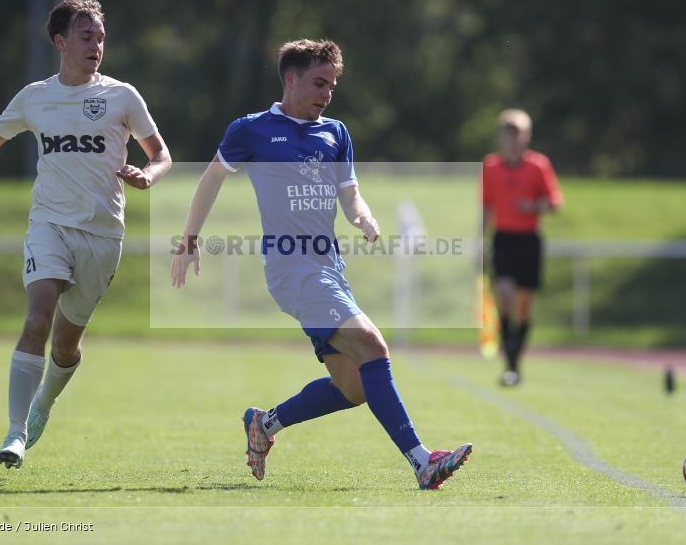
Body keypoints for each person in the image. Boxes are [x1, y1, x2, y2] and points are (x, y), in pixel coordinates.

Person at [171, 39, 471, 490]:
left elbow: (349, 193)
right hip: (291, 269)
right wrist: (188, 239)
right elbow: (212, 177)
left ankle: (264, 423)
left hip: (330, 267)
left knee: (353, 388)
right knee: (372, 344)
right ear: (290, 79)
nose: (326, 94)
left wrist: (363, 216)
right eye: (318, 83)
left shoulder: (336, 132)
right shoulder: (251, 129)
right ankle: (422, 461)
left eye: (331, 85)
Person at [0, 0, 172, 468]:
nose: (96, 46)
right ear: (61, 41)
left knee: (66, 346)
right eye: (86, 37)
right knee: (37, 319)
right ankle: (15, 431)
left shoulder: (122, 96)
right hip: (49, 224)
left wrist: (148, 175)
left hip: (103, 236)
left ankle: (44, 400)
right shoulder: (34, 97)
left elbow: (160, 153)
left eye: (101, 37)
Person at [482, 109, 562, 386]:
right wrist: (481, 240)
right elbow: (486, 206)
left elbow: (554, 202)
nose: (513, 139)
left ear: (526, 136)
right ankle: (511, 364)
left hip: (529, 240)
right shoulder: (491, 167)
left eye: (518, 133)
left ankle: (515, 363)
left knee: (525, 307)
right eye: (508, 133)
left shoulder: (538, 165)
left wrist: (533, 206)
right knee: (504, 296)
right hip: (503, 239)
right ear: (501, 136)